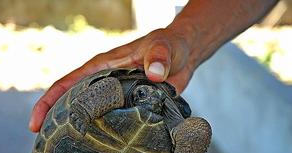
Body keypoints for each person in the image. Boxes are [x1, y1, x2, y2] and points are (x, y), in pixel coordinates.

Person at [29, 0, 278, 132]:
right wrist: (186, 42)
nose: (150, 97)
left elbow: (193, 131)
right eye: (141, 93)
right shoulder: (117, 92)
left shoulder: (167, 112)